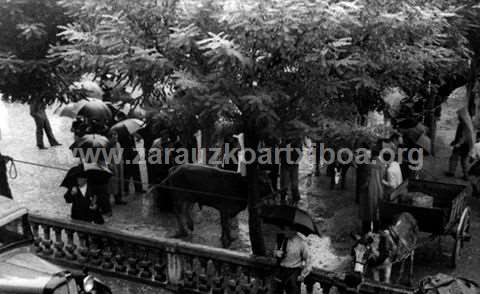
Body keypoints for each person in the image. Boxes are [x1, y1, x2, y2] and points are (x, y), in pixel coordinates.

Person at [272, 226, 312, 294]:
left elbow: (308, 259)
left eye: (287, 230)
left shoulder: (301, 242)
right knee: (276, 291)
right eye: (284, 229)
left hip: (294, 272)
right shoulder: (281, 239)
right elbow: (274, 251)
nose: (284, 232)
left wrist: (303, 274)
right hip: (280, 270)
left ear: (294, 231)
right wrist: (276, 253)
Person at [360, 143, 385, 234]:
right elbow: (382, 177)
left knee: (366, 210)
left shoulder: (369, 164)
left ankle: (366, 230)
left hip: (369, 190)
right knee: (376, 210)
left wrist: (363, 187)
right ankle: (376, 230)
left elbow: (366, 178)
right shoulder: (382, 164)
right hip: (379, 189)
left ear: (372, 153)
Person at [446, 111, 472, 180]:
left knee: (454, 158)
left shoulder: (463, 125)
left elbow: (463, 136)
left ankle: (451, 172)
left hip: (462, 145)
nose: (458, 117)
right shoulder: (467, 123)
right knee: (464, 161)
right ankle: (466, 175)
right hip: (466, 145)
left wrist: (458, 144)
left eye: (459, 116)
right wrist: (454, 141)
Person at [279, 137, 302, 205]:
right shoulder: (283, 144)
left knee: (294, 184)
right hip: (286, 165)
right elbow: (280, 154)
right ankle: (283, 199)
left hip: (293, 165)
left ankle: (295, 199)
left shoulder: (297, 142)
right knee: (284, 184)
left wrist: (294, 161)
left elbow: (300, 154)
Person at [108, 131, 126, 205]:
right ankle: (107, 201)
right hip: (112, 166)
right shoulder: (108, 146)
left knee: (119, 182)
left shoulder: (118, 144)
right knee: (111, 184)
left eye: (116, 136)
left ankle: (118, 199)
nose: (115, 138)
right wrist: (109, 164)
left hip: (119, 165)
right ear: (110, 138)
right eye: (113, 136)